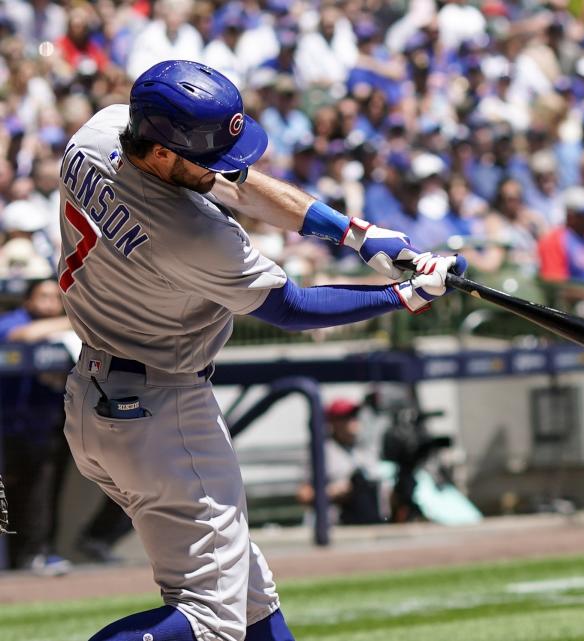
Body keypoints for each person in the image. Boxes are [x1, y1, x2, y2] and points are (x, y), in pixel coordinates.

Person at [57, 60, 465, 641]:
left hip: (99, 398)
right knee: (210, 619)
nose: (226, 165)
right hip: (162, 413)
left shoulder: (98, 134)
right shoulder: (194, 234)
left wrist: (355, 234)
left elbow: (236, 182)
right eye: (205, 155)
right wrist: (402, 295)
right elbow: (289, 307)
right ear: (164, 155)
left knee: (250, 599)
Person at [0, 278, 74, 576]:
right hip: (7, 426)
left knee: (41, 494)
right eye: (43, 296)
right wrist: (70, 320)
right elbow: (19, 335)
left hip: (43, 427)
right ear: (28, 300)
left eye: (56, 297)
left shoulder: (65, 331)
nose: (50, 302)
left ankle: (37, 554)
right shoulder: (15, 320)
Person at [297, 398, 390, 526]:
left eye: (354, 415)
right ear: (333, 422)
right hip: (334, 527)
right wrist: (334, 492)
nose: (352, 420)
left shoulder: (365, 450)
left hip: (370, 524)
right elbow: (303, 495)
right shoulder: (322, 451)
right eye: (345, 417)